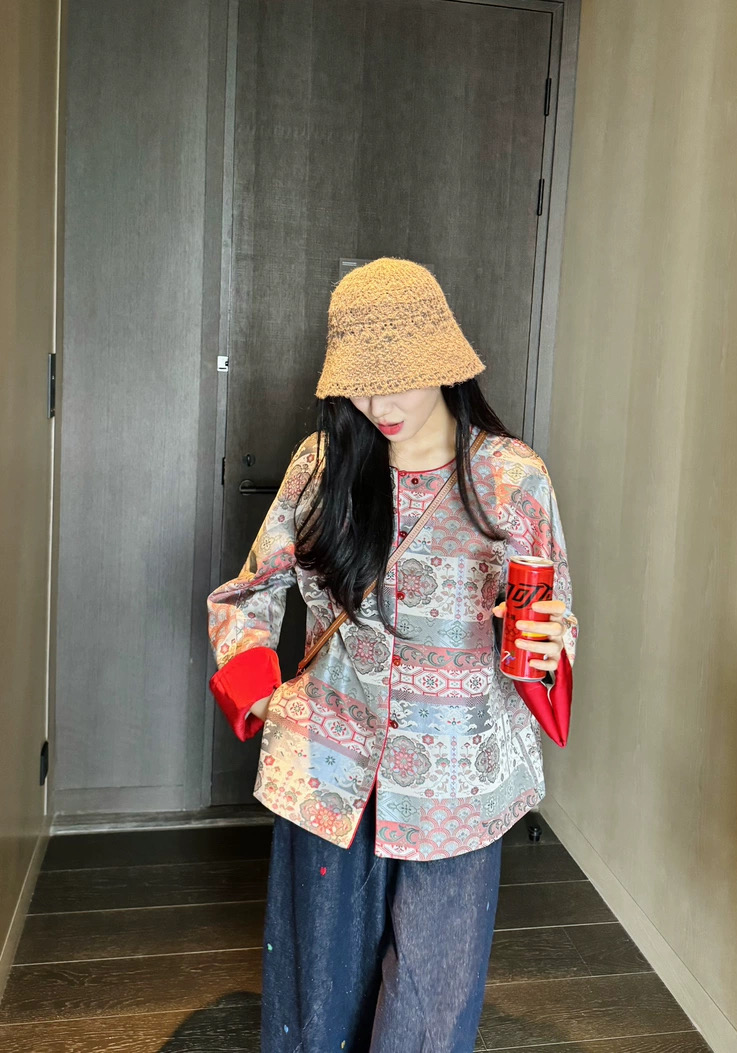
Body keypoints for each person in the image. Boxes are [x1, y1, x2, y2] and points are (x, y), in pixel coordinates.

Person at [206, 258, 578, 1053]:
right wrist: (262, 688)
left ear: (444, 361)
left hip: (460, 785)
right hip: (327, 770)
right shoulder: (323, 466)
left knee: (430, 1008)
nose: (379, 407)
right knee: (320, 1005)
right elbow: (248, 594)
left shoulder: (513, 480)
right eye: (360, 387)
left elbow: (551, 628)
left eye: (397, 381)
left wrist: (550, 646)